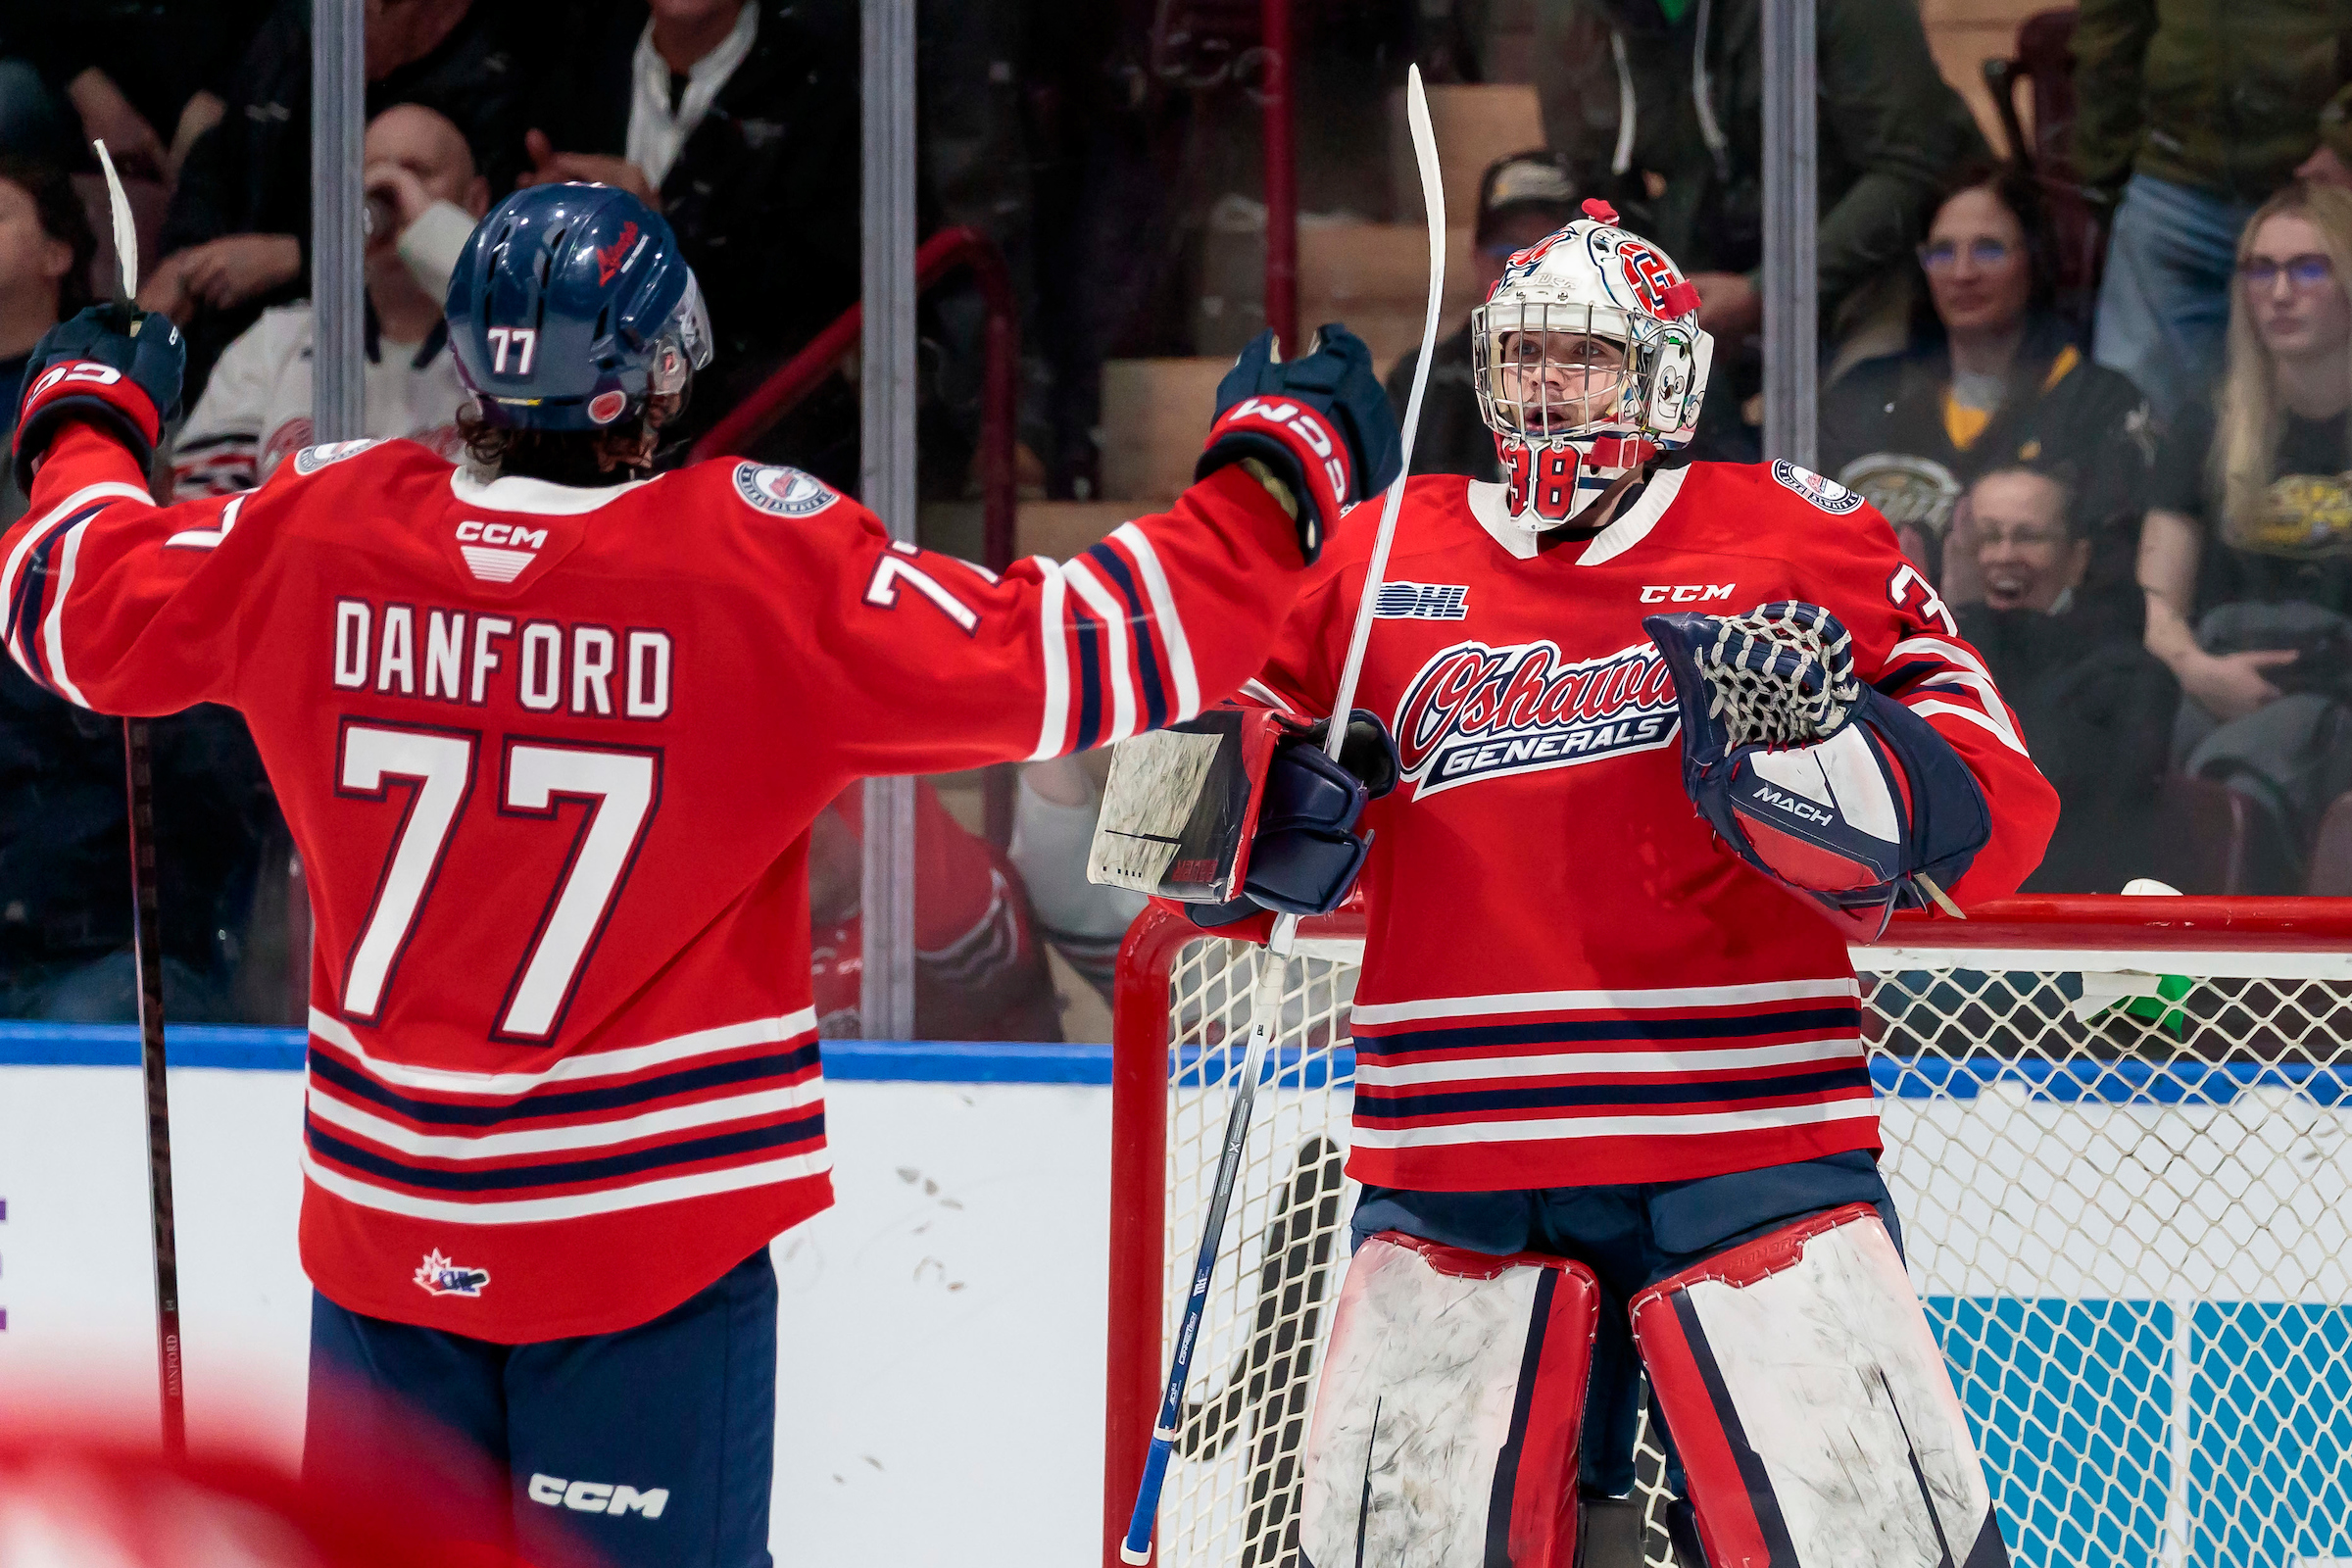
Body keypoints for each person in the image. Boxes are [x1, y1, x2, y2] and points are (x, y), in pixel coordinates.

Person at [0, 181, 1397, 1565]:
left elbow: (64, 598)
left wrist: (87, 418)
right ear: (661, 370)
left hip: (386, 1241)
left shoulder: (324, 524)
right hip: (641, 1250)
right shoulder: (749, 567)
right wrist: (1275, 473)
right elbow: (1076, 658)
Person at [1175, 199, 2056, 1565]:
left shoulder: (1794, 532)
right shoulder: (1379, 549)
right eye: (1523, 353)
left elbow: (2001, 810)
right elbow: (1174, 842)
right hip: (1458, 1158)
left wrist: (1829, 748)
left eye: (1583, 355)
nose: (1545, 385)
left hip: (1749, 1138)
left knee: (1868, 1542)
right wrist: (1265, 794)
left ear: (1669, 378)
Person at [1531, 0, 1984, 458]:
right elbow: (1589, 192)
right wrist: (1640, 296)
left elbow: (1913, 166)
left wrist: (1769, 290)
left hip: (1882, 261)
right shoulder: (1573, 16)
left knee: (1861, 421)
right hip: (1713, 258)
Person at [517, 0, 860, 478]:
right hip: (576, 430)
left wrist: (656, 238)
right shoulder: (572, 55)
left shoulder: (823, 86)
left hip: (749, 447)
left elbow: (813, 300)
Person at [139, 0, 534, 394]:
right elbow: (220, 158)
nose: (332, 27)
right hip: (246, 346)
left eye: (360, 11)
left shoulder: (496, 85)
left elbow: (489, 268)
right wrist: (184, 257)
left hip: (413, 353)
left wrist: (301, 256)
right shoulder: (294, 32)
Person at [2141, 178, 2352, 888]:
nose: (2280, 293)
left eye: (2309, 268)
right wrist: (2200, 672)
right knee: (2167, 734)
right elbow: (2155, 604)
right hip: (2218, 673)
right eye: (2261, 270)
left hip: (2339, 688)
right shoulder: (2208, 419)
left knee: (2252, 762)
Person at [1821, 161, 2157, 602]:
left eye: (1989, 250)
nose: (1962, 273)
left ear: (2035, 259)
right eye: (1942, 252)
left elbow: (2110, 590)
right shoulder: (1862, 396)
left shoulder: (2099, 406)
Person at [172, 105, 489, 498]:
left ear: (476, 200)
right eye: (372, 172)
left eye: (417, 172)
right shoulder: (277, 340)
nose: (387, 190)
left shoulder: (505, 347)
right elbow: (200, 506)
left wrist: (432, 230)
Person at [2076, 0, 2352, 425]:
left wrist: (2346, 142)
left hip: (2324, 183)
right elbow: (2109, 29)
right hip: (2172, 182)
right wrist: (2108, 165)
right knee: (2130, 414)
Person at [1953, 465, 2177, 892]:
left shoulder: (2131, 680)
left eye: (2028, 537)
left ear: (2077, 559)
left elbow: (2063, 821)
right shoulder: (1925, 658)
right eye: (1987, 537)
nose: (2003, 555)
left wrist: (1971, 625)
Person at [806, 779, 1063, 1042]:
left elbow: (960, 928)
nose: (791, 837)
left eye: (811, 808)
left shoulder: (941, 889)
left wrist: (843, 769)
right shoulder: (787, 938)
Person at [1385, 150, 1584, 483]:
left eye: (1550, 256)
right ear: (1477, 259)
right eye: (1508, 255)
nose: (1527, 279)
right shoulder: (1422, 385)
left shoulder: (1628, 382)